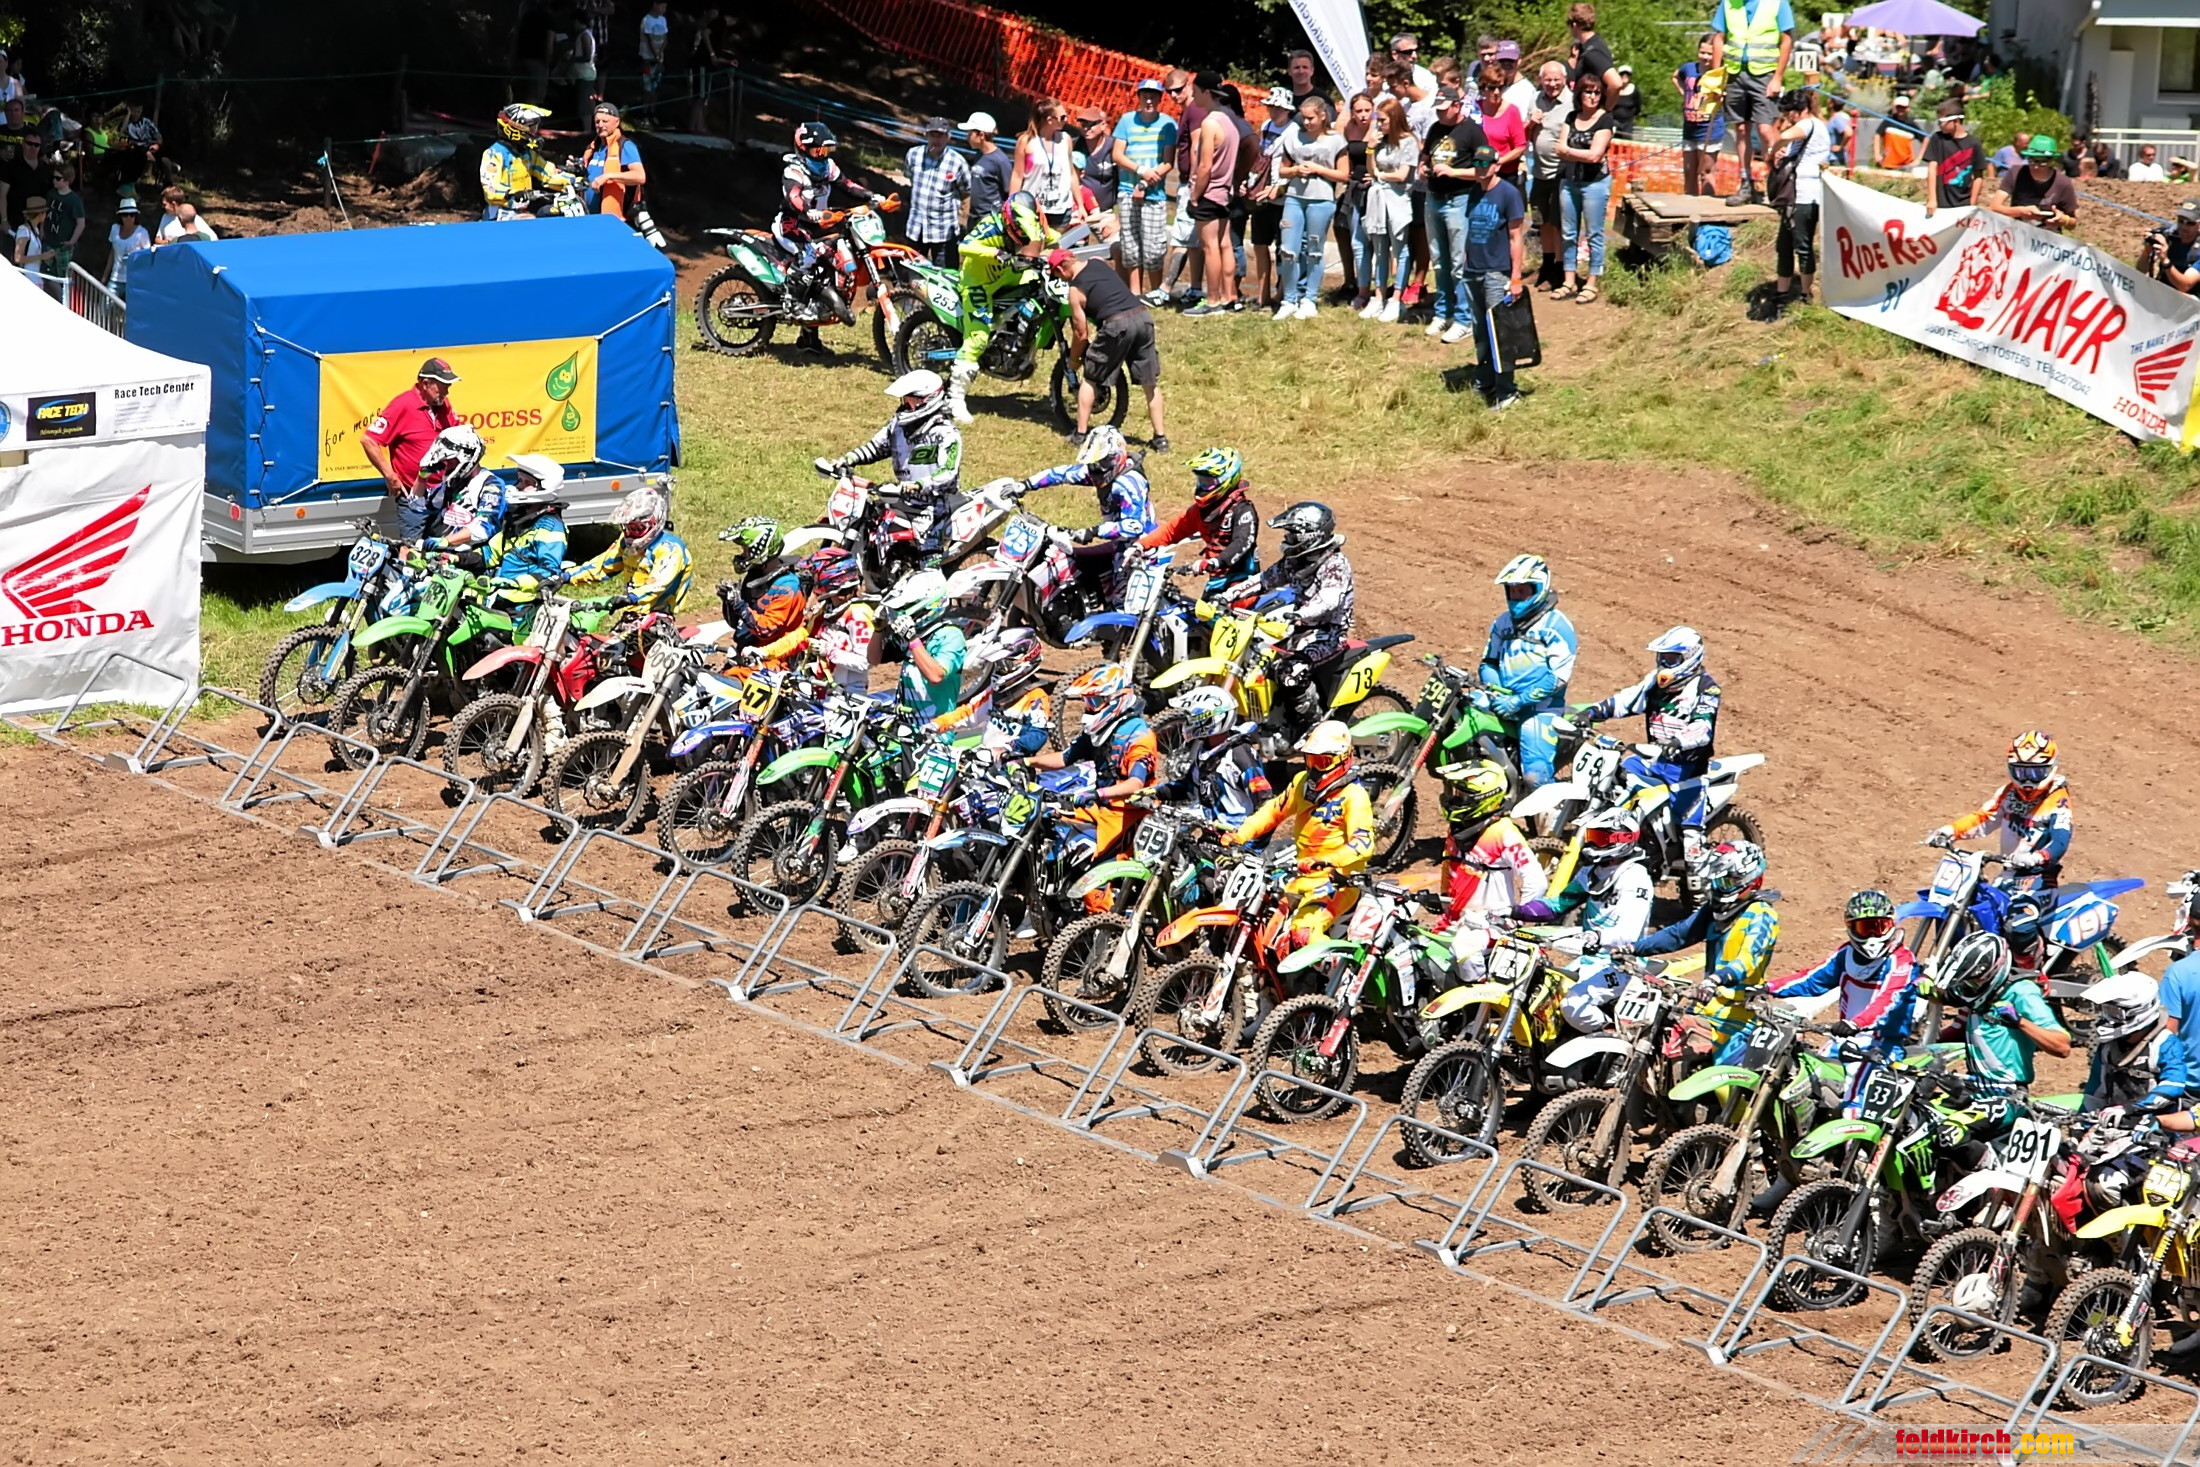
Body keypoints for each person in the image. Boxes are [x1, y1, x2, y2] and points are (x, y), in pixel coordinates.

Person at [1612, 840, 1781, 1064]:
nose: (1719, 887)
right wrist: (1634, 948)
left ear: (1750, 880)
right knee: (1664, 1049)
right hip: (1704, 1004)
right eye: (1716, 880)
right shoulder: (1714, 910)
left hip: (1738, 1014)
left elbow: (1747, 960)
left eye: (1726, 881)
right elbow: (1680, 934)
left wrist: (1715, 980)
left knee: (1721, 1079)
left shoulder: (1762, 915)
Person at [1225, 720, 1374, 957]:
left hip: (1339, 882)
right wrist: (1241, 834)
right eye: (1310, 760)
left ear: (1343, 759)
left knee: (1304, 933)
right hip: (1301, 877)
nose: (1314, 770)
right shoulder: (1302, 783)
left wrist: (1328, 861)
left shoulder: (1354, 796)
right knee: (1265, 929)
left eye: (1322, 762)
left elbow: (1363, 845)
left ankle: (1344, 976)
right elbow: (1273, 811)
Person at [1578, 626, 1721, 868]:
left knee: (1691, 844)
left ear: (1690, 657)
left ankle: (1701, 882)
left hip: (1686, 771)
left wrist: (1679, 741)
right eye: (1662, 657)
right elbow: (1626, 700)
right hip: (1655, 760)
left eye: (1672, 658)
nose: (1664, 664)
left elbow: (1703, 726)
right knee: (1616, 780)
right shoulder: (1654, 683)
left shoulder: (1706, 689)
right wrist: (1592, 712)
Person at [1529, 807, 1657, 1035]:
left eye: (1600, 838)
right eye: (1591, 837)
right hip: (1590, 959)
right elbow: (1556, 906)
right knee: (1543, 992)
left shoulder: (1635, 878)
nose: (1592, 843)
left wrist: (1595, 936)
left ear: (1621, 840)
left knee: (1574, 1006)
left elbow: (1628, 934)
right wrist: (1511, 911)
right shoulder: (1591, 873)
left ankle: (1615, 1040)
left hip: (1623, 964)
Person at [1029, 690, 1159, 902]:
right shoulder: (1100, 731)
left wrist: (1098, 793)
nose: (1089, 708)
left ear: (1116, 700)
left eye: (1095, 701)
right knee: (1048, 818)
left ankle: (1101, 919)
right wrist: (1027, 762)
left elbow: (1135, 784)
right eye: (1087, 701)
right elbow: (1064, 758)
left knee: (1094, 882)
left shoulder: (1139, 736)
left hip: (1128, 812)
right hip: (1101, 805)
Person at [1428, 760, 1547, 977]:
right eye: (1454, 793)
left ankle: (1481, 994)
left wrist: (1515, 920)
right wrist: (1443, 903)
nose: (1454, 800)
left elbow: (1537, 882)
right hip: (1456, 920)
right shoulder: (1457, 829)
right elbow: (1449, 869)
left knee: (1465, 952)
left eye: (1462, 796)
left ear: (1484, 798)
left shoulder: (1503, 832)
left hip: (1491, 926)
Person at [814, 369, 964, 539]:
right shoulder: (897, 426)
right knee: (868, 524)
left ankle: (931, 557)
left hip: (934, 506)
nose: (905, 406)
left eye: (910, 401)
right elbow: (876, 448)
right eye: (904, 400)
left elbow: (948, 471)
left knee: (926, 547)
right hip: (901, 499)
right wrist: (849, 459)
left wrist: (917, 485)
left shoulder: (946, 434)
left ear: (926, 400)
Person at [775, 121, 880, 355]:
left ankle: (809, 339)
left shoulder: (828, 167)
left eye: (826, 150)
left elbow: (847, 185)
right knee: (808, 256)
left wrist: (871, 196)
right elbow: (793, 197)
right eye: (818, 151)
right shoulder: (793, 170)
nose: (822, 155)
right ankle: (792, 304)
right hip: (791, 224)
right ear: (803, 149)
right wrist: (809, 212)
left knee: (824, 271)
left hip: (817, 227)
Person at [1938, 931, 2072, 1114]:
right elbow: (1944, 994)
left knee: (1952, 1129)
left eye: (1974, 982)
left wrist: (2020, 1022)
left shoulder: (2022, 993)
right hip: (1975, 1086)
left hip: (2007, 1095)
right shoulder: (1975, 989)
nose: (1969, 988)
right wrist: (1923, 983)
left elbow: (2062, 1046)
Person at [1045, 246, 1166, 448]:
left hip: (1116, 325)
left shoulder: (1075, 291)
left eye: (1057, 275)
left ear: (1060, 269)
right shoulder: (1097, 262)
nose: (1061, 280)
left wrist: (1074, 361)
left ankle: (1080, 434)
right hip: (1143, 317)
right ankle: (1160, 439)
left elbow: (1081, 333)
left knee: (1090, 378)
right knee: (1149, 383)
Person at [950, 189, 1053, 421]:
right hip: (978, 284)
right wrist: (994, 252)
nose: (1023, 238)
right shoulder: (990, 226)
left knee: (1039, 287)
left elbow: (1050, 236)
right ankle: (954, 400)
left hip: (1007, 275)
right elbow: (964, 246)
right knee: (978, 338)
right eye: (1020, 232)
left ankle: (1015, 338)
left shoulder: (1029, 224)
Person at [1479, 555, 1578, 789]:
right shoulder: (1502, 623)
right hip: (1501, 698)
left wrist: (1518, 701)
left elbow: (1558, 677)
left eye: (1522, 591)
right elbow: (1489, 662)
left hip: (1540, 708)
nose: (1516, 597)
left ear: (1539, 589)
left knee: (1535, 778)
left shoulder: (1556, 626)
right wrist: (1495, 692)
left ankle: (1552, 810)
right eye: (1512, 591)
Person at [1769, 890, 1919, 1044]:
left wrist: (1856, 1024)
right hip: (1843, 1038)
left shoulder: (1902, 961)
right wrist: (1769, 987)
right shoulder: (1846, 953)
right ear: (1851, 927)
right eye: (1864, 928)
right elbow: (1812, 980)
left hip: (1881, 1045)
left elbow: (1890, 1000)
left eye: (1879, 927)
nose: (1872, 935)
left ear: (1892, 924)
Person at [1257, 501, 1355, 734]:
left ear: (1310, 536)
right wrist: (1227, 596)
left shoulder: (1335, 564)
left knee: (1291, 671)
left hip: (1329, 634)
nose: (1287, 538)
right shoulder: (1295, 562)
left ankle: (1314, 727)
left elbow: (1329, 599)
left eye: (1292, 534)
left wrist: (1299, 613)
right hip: (1299, 630)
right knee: (1259, 658)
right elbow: (1262, 581)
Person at [1026, 425, 1156, 598]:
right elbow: (1062, 473)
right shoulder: (1100, 472)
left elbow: (1134, 526)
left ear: (1116, 457)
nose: (1096, 470)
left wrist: (1093, 531)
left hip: (1141, 548)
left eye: (1102, 463)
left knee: (1122, 603)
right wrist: (1025, 485)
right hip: (1120, 542)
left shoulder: (1128, 483)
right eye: (1093, 465)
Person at [1930, 730, 2073, 887]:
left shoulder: (2059, 802)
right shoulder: (2008, 793)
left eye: (2035, 773)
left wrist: (2038, 857)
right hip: (2007, 874)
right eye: (2020, 771)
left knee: (2022, 905)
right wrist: (1950, 831)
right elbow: (1983, 818)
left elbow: (2060, 841)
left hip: (2038, 881)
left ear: (2051, 767)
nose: (2027, 779)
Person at [1458, 144, 1528, 409]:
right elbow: (1471, 228)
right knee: (1480, 330)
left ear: (1497, 166)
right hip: (1473, 270)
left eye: (1486, 164)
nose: (1481, 168)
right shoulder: (1475, 191)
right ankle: (1485, 380)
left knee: (1499, 332)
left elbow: (1515, 237)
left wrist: (1516, 277)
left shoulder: (1509, 194)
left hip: (1496, 272)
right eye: (1477, 163)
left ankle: (1507, 390)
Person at [361, 358, 463, 538]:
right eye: (442, 386)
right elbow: (368, 440)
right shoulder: (403, 405)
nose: (447, 391)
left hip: (440, 493)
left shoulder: (443, 405)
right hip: (413, 495)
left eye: (448, 386)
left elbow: (458, 434)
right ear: (426, 384)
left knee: (438, 547)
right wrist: (390, 476)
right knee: (410, 548)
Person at [1709, 0, 1795, 206]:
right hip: (1734, 73)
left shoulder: (1777, 3)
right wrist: (1716, 77)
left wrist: (1778, 77)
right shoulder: (1729, 3)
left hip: (1764, 74)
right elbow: (1719, 38)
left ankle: (1779, 181)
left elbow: (1786, 41)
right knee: (1740, 130)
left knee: (1766, 130)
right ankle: (1746, 183)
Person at [1140, 446, 1259, 592]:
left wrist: (1215, 562)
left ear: (1227, 480)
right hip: (1216, 581)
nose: (1203, 486)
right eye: (1201, 481)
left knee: (1221, 608)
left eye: (1209, 482)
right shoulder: (1201, 511)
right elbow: (1173, 530)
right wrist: (1141, 545)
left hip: (1242, 583)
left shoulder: (1243, 510)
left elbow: (1242, 542)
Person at [1421, 85, 1488, 344]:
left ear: (1457, 106)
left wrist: (1455, 172)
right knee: (1439, 260)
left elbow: (1484, 170)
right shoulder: (1435, 129)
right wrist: (1423, 168)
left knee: (1459, 262)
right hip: (1434, 198)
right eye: (1437, 110)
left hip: (1460, 199)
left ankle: (1464, 318)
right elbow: (1425, 156)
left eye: (1444, 109)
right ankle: (1443, 312)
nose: (1440, 114)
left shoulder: (1473, 131)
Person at [559, 487, 692, 614]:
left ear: (654, 523)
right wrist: (565, 577)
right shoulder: (625, 543)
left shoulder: (670, 550)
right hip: (633, 609)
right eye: (627, 528)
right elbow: (602, 566)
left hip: (659, 614)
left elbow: (659, 584)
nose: (631, 533)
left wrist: (631, 598)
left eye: (638, 528)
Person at [1274, 94, 1348, 319]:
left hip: (1321, 199)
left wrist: (1319, 169)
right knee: (1288, 250)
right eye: (1303, 118)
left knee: (1314, 250)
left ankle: (1310, 298)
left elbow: (1343, 174)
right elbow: (1282, 170)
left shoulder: (1335, 141)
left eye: (1310, 118)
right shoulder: (1293, 137)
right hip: (1295, 197)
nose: (1306, 122)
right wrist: (1296, 170)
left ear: (1323, 116)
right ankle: (1289, 299)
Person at [1182, 73, 1241, 319]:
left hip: (1210, 192)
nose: (1193, 96)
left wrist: (1195, 195)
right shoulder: (1229, 118)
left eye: (1196, 91)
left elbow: (1205, 166)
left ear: (1207, 92)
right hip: (1225, 191)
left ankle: (1213, 300)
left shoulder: (1209, 123)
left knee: (1210, 247)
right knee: (1224, 244)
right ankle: (1229, 296)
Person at [2080, 974, 2186, 1113]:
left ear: (2139, 1011)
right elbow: (2095, 1088)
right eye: (2106, 1010)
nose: (2109, 1019)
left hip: (2152, 1121)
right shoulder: (2108, 1046)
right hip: (2112, 1118)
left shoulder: (2163, 1043)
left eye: (2114, 1012)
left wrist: (2131, 1109)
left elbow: (2174, 1084)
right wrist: (2083, 1119)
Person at [1552, 72, 1614, 305]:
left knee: (1594, 233)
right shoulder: (1571, 117)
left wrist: (1570, 152)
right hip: (1569, 181)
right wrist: (1578, 154)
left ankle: (1591, 281)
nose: (1593, 96)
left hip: (1594, 183)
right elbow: (1559, 148)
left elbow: (1595, 155)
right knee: (1568, 232)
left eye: (1597, 92)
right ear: (1580, 93)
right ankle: (1569, 280)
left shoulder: (1605, 119)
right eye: (1588, 91)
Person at [1111, 83, 1176, 301]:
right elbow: (1117, 155)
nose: (1149, 101)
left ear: (1160, 99)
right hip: (1127, 191)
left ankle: (1156, 293)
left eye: (1154, 97)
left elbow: (1168, 161)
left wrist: (1145, 183)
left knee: (1153, 247)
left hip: (1154, 195)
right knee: (1130, 245)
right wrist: (1141, 171)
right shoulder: (1126, 121)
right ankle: (1135, 294)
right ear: (1138, 97)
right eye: (1145, 96)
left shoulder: (1168, 124)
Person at [473, 455, 570, 594]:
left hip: (524, 601)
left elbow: (550, 571)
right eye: (519, 480)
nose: (518, 486)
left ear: (543, 488)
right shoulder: (518, 519)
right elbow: (490, 553)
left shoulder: (551, 526)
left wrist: (517, 583)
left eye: (527, 482)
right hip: (499, 596)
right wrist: (456, 558)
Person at [1358, 97, 1418, 321]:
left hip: (1398, 200)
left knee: (1399, 249)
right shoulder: (1381, 141)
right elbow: (1371, 169)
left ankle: (1396, 299)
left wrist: (1380, 175)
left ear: (1394, 119)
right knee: (1380, 249)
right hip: (1378, 198)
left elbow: (1402, 175)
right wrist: (1370, 149)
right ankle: (1379, 296)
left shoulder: (1408, 142)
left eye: (1382, 120)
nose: (1379, 124)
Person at [1768, 88, 1829, 303]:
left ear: (1801, 110)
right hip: (1796, 194)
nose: (1788, 119)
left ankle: (1805, 293)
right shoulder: (1814, 126)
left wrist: (1772, 151)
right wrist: (1783, 152)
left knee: (1802, 246)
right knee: (1784, 246)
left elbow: (1783, 136)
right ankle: (1782, 292)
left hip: (1805, 194)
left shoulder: (1809, 123)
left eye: (1789, 114)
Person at [883, 572, 965, 726]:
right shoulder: (910, 632)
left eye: (905, 608)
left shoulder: (951, 635)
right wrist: (878, 629)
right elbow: (874, 658)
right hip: (905, 726)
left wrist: (913, 639)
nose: (902, 613)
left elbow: (936, 676)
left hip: (935, 731)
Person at [418, 426, 508, 556]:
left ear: (467, 458)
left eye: (451, 461)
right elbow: (418, 505)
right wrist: (422, 477)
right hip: (446, 554)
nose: (447, 465)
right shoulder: (452, 483)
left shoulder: (491, 484)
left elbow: (484, 527)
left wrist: (446, 541)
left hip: (474, 556)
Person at [1524, 62, 1575, 289]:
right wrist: (1531, 123)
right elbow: (1526, 134)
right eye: (1548, 80)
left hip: (1561, 172)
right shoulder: (1535, 99)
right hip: (1539, 171)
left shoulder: (1572, 102)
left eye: (1556, 80)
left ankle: (1560, 268)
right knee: (1542, 220)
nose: (1552, 84)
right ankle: (1546, 266)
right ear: (1540, 80)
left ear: (1564, 80)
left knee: (1558, 223)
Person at [480, 103, 569, 221]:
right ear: (515, 129)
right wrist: (515, 193)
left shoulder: (526, 153)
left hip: (521, 211)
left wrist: (573, 179)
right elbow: (490, 189)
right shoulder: (494, 154)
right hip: (499, 214)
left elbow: (548, 173)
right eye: (531, 129)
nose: (534, 133)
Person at [904, 117, 972, 268]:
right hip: (916, 227)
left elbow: (966, 192)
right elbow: (910, 179)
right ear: (926, 135)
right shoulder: (913, 155)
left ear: (948, 137)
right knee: (914, 272)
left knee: (945, 275)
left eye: (940, 135)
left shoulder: (957, 162)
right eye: (932, 135)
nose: (936, 140)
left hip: (944, 230)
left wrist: (962, 221)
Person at [1010, 99, 1078, 231]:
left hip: (1060, 207)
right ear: (1049, 120)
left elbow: (1071, 173)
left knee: (1056, 244)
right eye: (1062, 117)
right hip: (1032, 206)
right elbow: (1017, 175)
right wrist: (1011, 204)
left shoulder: (1066, 139)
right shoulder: (1027, 141)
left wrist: (1080, 205)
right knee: (1032, 244)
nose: (1066, 120)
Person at [1993, 134, 2078, 234]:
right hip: (2017, 234)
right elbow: (1994, 207)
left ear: (2051, 161)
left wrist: (2064, 220)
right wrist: (2020, 212)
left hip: (2048, 238)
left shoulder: (2063, 183)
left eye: (2042, 162)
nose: (2036, 167)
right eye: (2031, 161)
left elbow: (2073, 223)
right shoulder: (2016, 173)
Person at [1675, 35, 1726, 198]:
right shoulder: (1688, 68)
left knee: (1706, 171)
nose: (1705, 57)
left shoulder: (1720, 74)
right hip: (1689, 128)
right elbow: (1676, 76)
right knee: (1689, 171)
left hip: (1709, 128)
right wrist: (1685, 94)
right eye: (1702, 52)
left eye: (1710, 54)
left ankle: (1706, 206)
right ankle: (1689, 205)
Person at [578, 101, 645, 221]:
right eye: (597, 122)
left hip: (615, 220)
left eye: (605, 121)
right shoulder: (593, 148)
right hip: (589, 218)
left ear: (617, 122)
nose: (600, 125)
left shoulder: (625, 146)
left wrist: (609, 176)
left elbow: (640, 176)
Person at [1335, 91, 1371, 307]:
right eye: (1359, 111)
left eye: (1367, 110)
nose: (1364, 115)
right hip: (1353, 187)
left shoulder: (1378, 128)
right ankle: (1353, 282)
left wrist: (1377, 174)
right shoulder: (1348, 128)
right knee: (1348, 233)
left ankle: (1375, 286)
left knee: (1375, 239)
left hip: (1374, 188)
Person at [1920, 100, 1983, 218]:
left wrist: (1972, 203)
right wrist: (1932, 199)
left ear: (1956, 121)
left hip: (1963, 205)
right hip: (1941, 204)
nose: (1939, 125)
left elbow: (1978, 176)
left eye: (1941, 122)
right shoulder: (1937, 139)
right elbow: (1932, 168)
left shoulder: (1974, 144)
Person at [1473, 71, 1527, 188]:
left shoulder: (1512, 111)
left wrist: (1497, 162)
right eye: (1492, 88)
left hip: (1504, 175)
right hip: (1477, 171)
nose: (1497, 92)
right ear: (1483, 89)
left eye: (1501, 88)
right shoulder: (1474, 108)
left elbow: (1520, 147)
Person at [1568, 4, 1627, 109]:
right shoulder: (1590, 46)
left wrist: (1605, 110)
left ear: (1574, 25)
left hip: (1594, 116)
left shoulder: (1592, 52)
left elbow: (1616, 83)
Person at [961, 111, 1014, 224]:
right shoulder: (979, 155)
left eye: (970, 134)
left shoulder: (1000, 160)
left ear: (981, 135)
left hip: (990, 219)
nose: (967, 137)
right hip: (974, 217)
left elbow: (1009, 191)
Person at [2140, 201, 2200, 297]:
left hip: (2190, 301)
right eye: (2180, 221)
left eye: (2190, 223)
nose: (2184, 227)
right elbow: (2141, 269)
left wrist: (2165, 261)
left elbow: (2185, 286)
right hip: (2163, 294)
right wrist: (2147, 250)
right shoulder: (2168, 235)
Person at [105, 196, 149, 297]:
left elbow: (147, 257)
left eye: (132, 215)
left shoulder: (142, 232)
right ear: (120, 216)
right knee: (105, 305)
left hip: (134, 279)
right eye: (125, 215)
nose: (129, 218)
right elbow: (112, 252)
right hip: (115, 278)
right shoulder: (114, 229)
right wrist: (105, 276)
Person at [1872, 94, 1924, 173]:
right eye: (1898, 107)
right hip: (1888, 163)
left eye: (1903, 107)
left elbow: (1925, 139)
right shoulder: (1888, 120)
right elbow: (1877, 135)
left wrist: (1918, 159)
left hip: (1906, 165)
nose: (1901, 109)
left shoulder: (1911, 124)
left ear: (1908, 108)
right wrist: (1877, 154)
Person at [636, 0, 669, 118]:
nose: (664, 10)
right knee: (647, 87)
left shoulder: (663, 19)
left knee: (656, 86)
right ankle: (644, 112)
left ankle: (652, 111)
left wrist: (660, 54)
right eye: (662, 6)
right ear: (655, 5)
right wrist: (656, 55)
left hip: (659, 59)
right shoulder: (647, 20)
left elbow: (665, 39)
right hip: (648, 59)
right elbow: (649, 40)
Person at [11, 193, 51, 284]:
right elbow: (18, 258)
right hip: (26, 278)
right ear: (39, 214)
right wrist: (42, 256)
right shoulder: (24, 231)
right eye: (44, 212)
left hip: (35, 277)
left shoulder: (35, 230)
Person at [1610, 65, 1641, 139]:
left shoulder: (1634, 90)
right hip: (1613, 122)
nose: (1624, 76)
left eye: (1627, 74)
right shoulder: (1613, 89)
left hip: (1627, 123)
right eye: (1622, 74)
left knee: (1627, 142)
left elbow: (1638, 106)